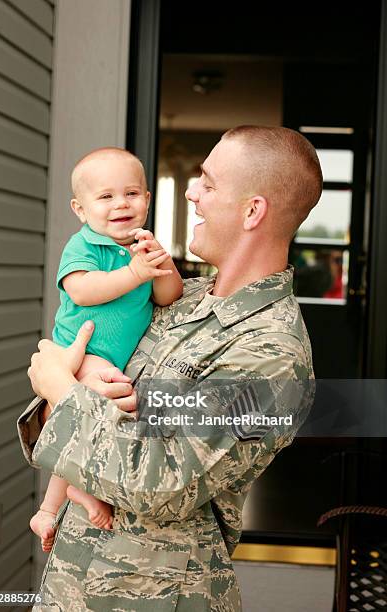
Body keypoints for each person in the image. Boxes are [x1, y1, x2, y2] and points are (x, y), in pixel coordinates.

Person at [18, 125, 322, 611]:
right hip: (76, 587)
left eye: (208, 180)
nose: (191, 191)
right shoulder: (185, 299)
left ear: (252, 211)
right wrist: (68, 387)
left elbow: (159, 482)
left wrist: (59, 387)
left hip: (154, 597)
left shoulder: (271, 354)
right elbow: (90, 395)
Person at [29, 147, 183, 552]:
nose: (121, 204)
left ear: (147, 201)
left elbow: (168, 296)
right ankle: (74, 493)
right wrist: (133, 273)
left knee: (94, 414)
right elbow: (81, 289)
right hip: (81, 348)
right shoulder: (84, 246)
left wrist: (161, 265)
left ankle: (50, 507)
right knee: (101, 404)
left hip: (109, 356)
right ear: (81, 209)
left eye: (132, 193)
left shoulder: (144, 247)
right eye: (106, 197)